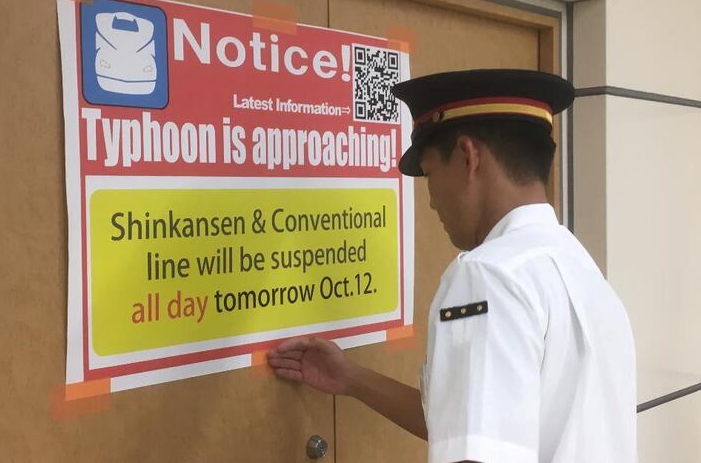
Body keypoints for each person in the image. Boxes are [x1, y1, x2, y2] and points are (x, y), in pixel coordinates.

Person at [268, 69, 637, 463]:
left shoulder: (489, 275)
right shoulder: (572, 262)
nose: (430, 201)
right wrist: (352, 378)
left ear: (467, 157)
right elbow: (478, 423)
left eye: (428, 173)